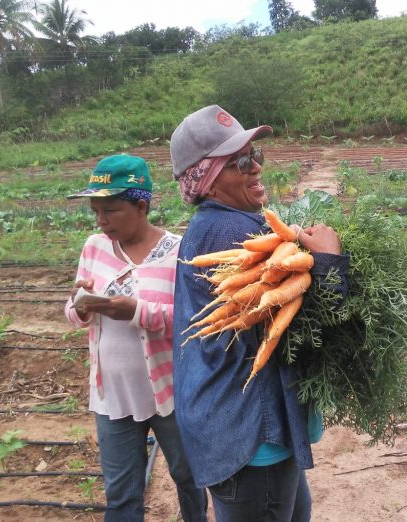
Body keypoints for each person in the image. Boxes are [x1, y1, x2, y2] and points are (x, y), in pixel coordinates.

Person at [170, 105, 350, 521]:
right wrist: (328, 263)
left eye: (256, 156)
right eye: (238, 162)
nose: (254, 168)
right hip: (252, 435)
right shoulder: (233, 235)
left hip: (244, 426)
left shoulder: (218, 224)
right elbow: (310, 331)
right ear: (208, 180)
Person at [64, 154, 207, 522]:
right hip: (113, 393)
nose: (101, 220)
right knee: (121, 495)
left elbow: (194, 321)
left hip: (172, 393)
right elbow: (73, 314)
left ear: (141, 206)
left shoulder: (178, 251)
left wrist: (136, 311)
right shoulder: (94, 246)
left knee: (190, 480)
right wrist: (80, 305)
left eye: (110, 210)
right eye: (96, 211)